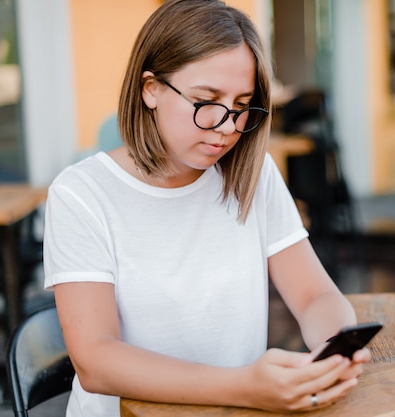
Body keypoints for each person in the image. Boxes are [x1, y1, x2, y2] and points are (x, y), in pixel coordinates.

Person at [42, 1, 370, 416]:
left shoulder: (251, 174)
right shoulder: (82, 193)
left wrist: (336, 344)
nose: (228, 127)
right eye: (206, 101)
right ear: (151, 89)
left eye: (241, 105)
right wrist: (245, 387)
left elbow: (313, 294)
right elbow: (96, 361)